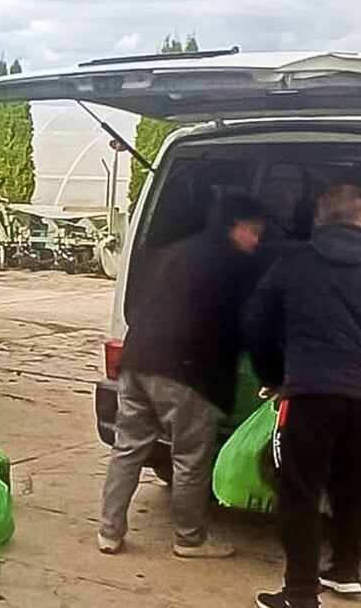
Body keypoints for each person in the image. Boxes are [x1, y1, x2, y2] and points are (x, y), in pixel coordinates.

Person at [243, 185, 361, 608]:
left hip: (310, 394)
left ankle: (300, 593)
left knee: (299, 492)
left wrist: (273, 374)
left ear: (319, 221)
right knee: (352, 485)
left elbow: (256, 320)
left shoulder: (293, 263)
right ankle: (345, 570)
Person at [99, 195, 268, 558]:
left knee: (128, 447)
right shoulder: (235, 264)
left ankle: (109, 532)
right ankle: (190, 539)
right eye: (255, 232)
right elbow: (253, 324)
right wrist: (272, 370)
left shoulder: (178, 251)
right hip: (186, 370)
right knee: (190, 456)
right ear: (236, 227)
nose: (257, 241)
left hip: (137, 358)